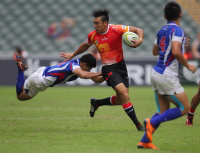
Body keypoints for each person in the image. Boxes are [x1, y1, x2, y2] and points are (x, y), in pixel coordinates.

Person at [60, 9, 145, 131]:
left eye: (97, 23)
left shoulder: (117, 29)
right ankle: (138, 125)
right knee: (125, 94)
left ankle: (97, 103)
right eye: (94, 23)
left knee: (121, 100)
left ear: (105, 23)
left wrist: (140, 40)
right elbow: (85, 45)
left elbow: (138, 30)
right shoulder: (92, 35)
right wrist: (72, 55)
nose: (95, 25)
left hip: (121, 66)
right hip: (108, 68)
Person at [137, 1, 196, 149]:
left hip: (156, 72)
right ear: (180, 14)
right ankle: (152, 122)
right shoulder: (178, 31)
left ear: (164, 16)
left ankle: (145, 141)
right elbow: (175, 52)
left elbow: (155, 51)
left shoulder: (161, 30)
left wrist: (181, 43)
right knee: (185, 108)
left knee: (162, 111)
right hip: (167, 75)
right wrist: (188, 65)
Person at [15, 53, 103, 101]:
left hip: (41, 72)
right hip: (43, 80)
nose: (89, 70)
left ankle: (20, 70)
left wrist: (105, 75)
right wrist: (99, 73)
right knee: (21, 97)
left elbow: (97, 80)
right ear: (84, 64)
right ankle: (20, 70)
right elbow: (83, 75)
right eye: (89, 68)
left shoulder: (78, 63)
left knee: (21, 91)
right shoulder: (75, 66)